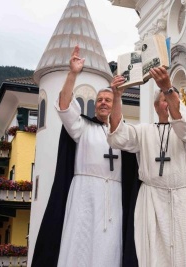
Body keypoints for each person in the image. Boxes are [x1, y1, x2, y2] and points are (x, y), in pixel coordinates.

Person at [32, 45, 138, 267]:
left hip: (113, 194)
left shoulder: (125, 134)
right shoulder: (82, 127)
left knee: (109, 246)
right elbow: (63, 106)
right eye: (100, 99)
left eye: (108, 100)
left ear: (115, 105)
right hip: (84, 193)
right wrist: (73, 74)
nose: (103, 103)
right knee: (79, 242)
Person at [108, 67, 186, 267]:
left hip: (182, 198)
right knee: (150, 253)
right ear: (156, 106)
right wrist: (117, 97)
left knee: (184, 252)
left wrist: (167, 88)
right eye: (164, 98)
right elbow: (117, 137)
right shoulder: (144, 131)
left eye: (170, 97)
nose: (168, 101)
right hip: (151, 200)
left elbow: (185, 126)